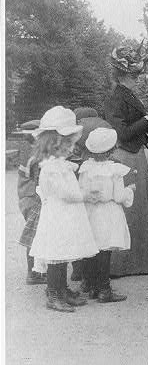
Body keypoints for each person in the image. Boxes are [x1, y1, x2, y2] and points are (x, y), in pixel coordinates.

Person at [104, 42, 148, 276]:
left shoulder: (128, 94)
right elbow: (120, 132)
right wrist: (147, 119)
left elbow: (146, 129)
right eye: (134, 75)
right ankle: (124, 264)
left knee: (139, 206)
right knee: (129, 206)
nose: (137, 78)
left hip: (135, 154)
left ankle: (142, 260)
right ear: (122, 75)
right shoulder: (115, 97)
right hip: (125, 155)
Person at [28, 106, 99, 312]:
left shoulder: (61, 164)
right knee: (55, 255)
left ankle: (62, 289)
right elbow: (65, 194)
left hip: (66, 215)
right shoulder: (51, 168)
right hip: (57, 217)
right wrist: (85, 195)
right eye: (67, 144)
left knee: (63, 253)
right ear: (54, 143)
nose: (71, 148)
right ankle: (53, 293)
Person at [78, 128, 134, 302]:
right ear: (112, 150)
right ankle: (104, 289)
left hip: (91, 212)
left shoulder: (85, 168)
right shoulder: (114, 170)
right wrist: (129, 191)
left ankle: (92, 285)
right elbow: (118, 196)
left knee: (93, 249)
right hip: (108, 213)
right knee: (104, 251)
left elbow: (81, 190)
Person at [69, 107, 112, 283]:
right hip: (95, 166)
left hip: (77, 176)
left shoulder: (77, 130)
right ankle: (98, 279)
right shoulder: (102, 128)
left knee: (79, 228)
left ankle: (79, 271)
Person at [17, 128, 46, 285]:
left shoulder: (26, 150)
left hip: (25, 196)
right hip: (32, 197)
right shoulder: (34, 155)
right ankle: (32, 274)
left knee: (34, 233)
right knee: (33, 234)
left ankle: (35, 272)